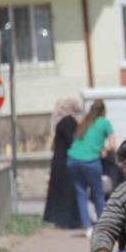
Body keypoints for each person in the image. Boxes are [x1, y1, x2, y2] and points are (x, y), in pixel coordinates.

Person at [67, 99, 115, 238]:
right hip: (91, 161)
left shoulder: (85, 122)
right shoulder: (104, 123)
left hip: (72, 160)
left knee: (81, 193)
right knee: (98, 193)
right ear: (104, 111)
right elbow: (113, 144)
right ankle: (103, 226)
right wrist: (104, 149)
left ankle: (88, 227)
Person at [43, 97, 83, 229]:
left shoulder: (63, 121)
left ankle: (62, 219)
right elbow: (71, 141)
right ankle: (68, 220)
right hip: (65, 162)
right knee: (67, 191)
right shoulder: (68, 122)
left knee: (61, 192)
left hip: (60, 161)